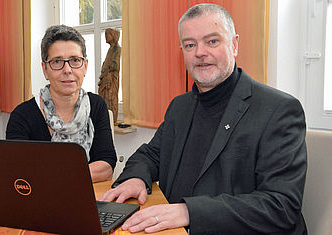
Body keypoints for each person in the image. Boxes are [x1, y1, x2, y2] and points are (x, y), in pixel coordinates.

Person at [98, 3, 307, 234]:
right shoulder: (180, 106)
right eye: (190, 45)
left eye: (212, 41)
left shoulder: (278, 110)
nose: (200, 52)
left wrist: (189, 212)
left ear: (234, 44)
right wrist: (137, 178)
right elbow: (151, 155)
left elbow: (281, 207)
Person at [6, 25, 116, 183]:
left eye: (75, 60)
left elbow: (106, 166)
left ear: (85, 66)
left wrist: (53, 176)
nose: (67, 69)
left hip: (91, 199)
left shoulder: (97, 105)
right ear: (45, 69)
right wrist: (76, 175)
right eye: (57, 61)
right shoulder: (22, 115)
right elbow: (20, 173)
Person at [98, 28, 121, 122]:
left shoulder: (117, 49)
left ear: (113, 36)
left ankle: (112, 118)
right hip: (105, 76)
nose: (106, 37)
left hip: (111, 77)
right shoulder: (110, 49)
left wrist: (108, 68)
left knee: (110, 97)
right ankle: (105, 118)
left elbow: (115, 65)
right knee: (103, 96)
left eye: (108, 35)